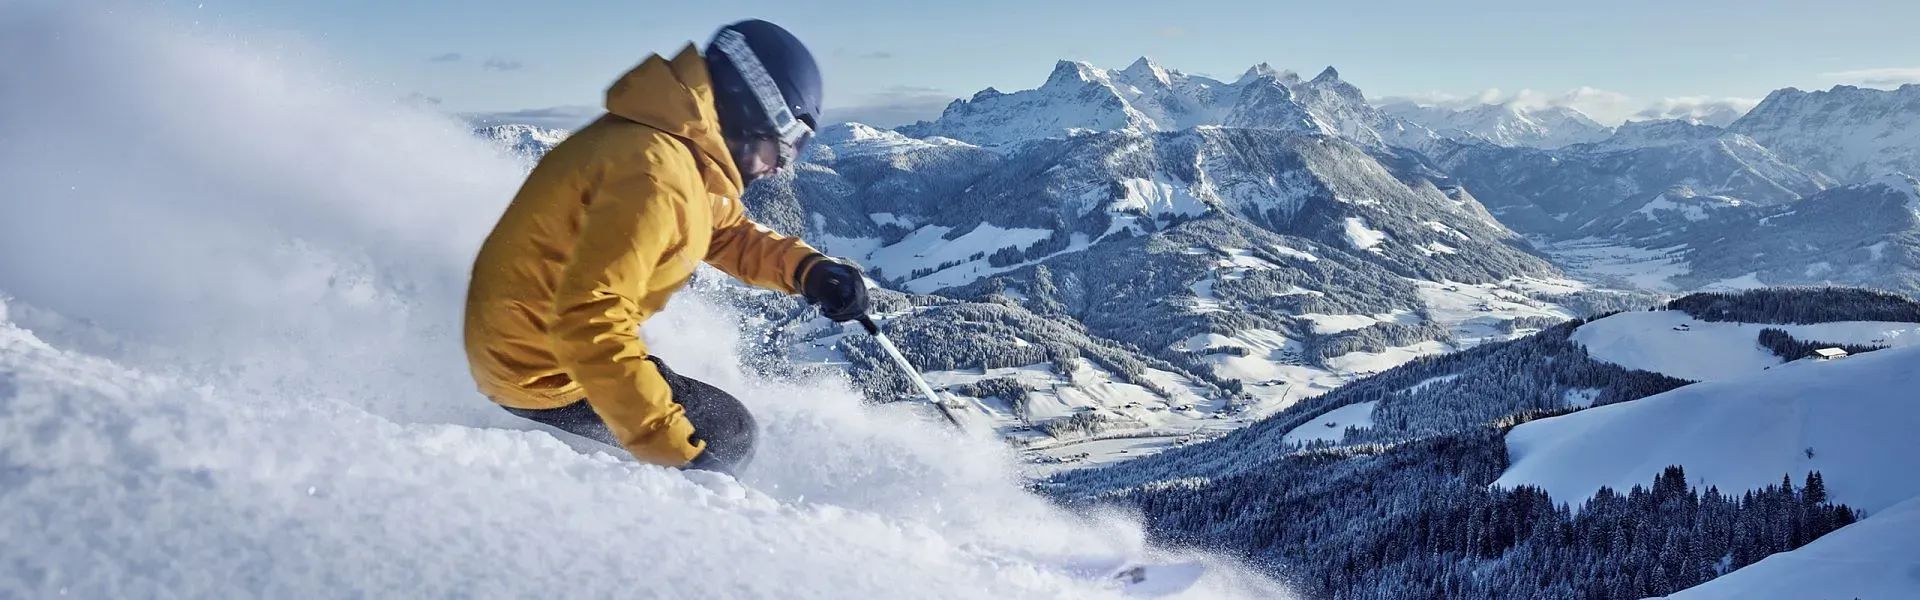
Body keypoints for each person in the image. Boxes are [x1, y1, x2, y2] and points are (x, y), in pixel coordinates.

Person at [463, 19, 869, 475]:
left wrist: (806, 269)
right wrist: (681, 455)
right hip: (541, 371)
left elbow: (723, 230)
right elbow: (590, 317)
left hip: (531, 345)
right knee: (728, 433)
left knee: (721, 424)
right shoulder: (655, 176)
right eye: (782, 149)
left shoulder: (675, 151)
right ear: (747, 112)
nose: (777, 169)